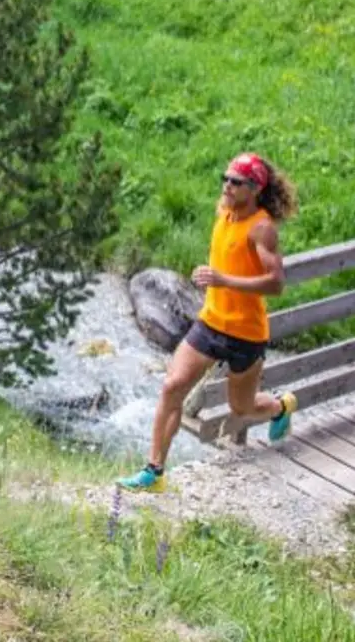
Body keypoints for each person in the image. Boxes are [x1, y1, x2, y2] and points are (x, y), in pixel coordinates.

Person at [117, 152, 300, 492]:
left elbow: (275, 283)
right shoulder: (224, 210)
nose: (227, 186)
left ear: (256, 188)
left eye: (237, 182)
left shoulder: (261, 229)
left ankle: (280, 407)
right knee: (172, 387)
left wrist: (224, 280)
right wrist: (216, 278)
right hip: (211, 322)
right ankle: (153, 472)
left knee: (241, 407)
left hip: (245, 333)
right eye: (225, 178)